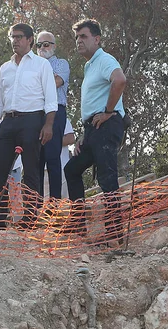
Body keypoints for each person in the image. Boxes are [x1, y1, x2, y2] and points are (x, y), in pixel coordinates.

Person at [0, 23, 57, 229]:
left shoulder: (42, 65)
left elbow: (51, 98)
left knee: (31, 170)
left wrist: (48, 125)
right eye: (12, 37)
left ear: (30, 39)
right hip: (8, 121)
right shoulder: (5, 68)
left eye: (19, 37)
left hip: (32, 120)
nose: (14, 40)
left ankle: (29, 218)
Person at [64, 19, 127, 242]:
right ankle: (79, 226)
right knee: (72, 169)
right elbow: (93, 104)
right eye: (77, 37)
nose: (79, 41)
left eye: (83, 36)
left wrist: (108, 111)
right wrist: (84, 134)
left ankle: (114, 233)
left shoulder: (104, 59)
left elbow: (119, 80)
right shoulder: (89, 65)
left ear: (97, 39)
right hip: (93, 128)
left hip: (107, 124)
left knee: (107, 175)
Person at [35, 31, 70, 201]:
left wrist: (36, 83)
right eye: (39, 45)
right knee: (36, 160)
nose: (42, 48)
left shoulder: (61, 63)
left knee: (52, 157)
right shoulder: (32, 65)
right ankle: (36, 205)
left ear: (54, 46)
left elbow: (56, 82)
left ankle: (54, 203)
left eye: (46, 44)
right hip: (36, 113)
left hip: (55, 112)